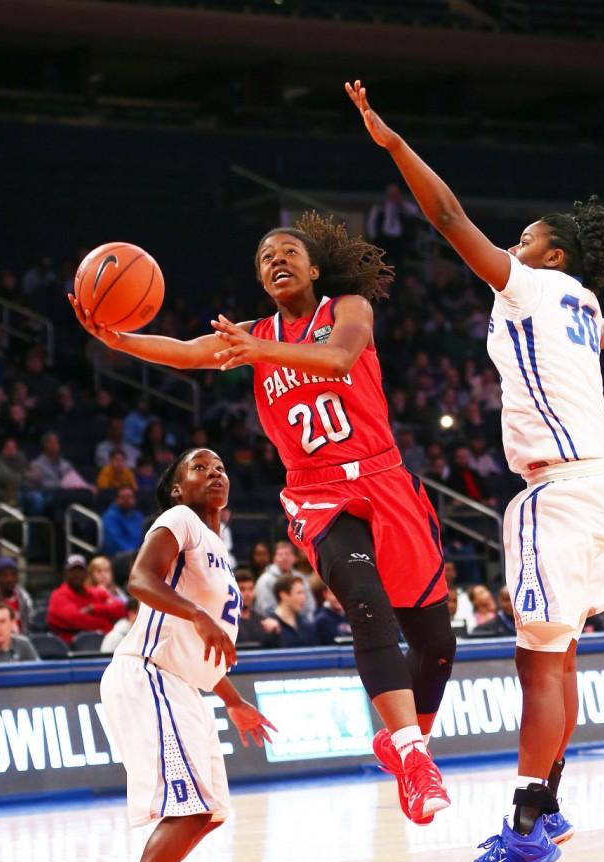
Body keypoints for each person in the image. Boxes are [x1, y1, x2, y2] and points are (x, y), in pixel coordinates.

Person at [345, 79, 604, 862]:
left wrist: (395, 145)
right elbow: (593, 335)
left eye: (523, 238)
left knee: (537, 663)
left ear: (549, 254)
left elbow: (447, 219)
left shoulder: (528, 282)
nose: (510, 246)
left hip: (559, 492)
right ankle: (546, 805)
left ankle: (523, 823)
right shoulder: (581, 299)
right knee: (564, 654)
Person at [70, 210, 457, 826]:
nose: (275, 261)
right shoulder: (257, 334)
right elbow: (190, 353)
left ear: (312, 267)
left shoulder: (347, 308)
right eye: (264, 258)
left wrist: (258, 349)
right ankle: (413, 758)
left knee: (438, 643)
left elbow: (337, 360)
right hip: (318, 492)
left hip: (384, 477)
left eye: (286, 252)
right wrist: (120, 340)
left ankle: (403, 737)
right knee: (364, 597)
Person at [98, 448, 275, 862]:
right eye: (201, 468)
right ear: (178, 488)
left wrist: (233, 701)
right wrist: (198, 615)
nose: (215, 472)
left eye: (221, 467)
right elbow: (140, 579)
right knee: (190, 807)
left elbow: (198, 646)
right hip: (147, 673)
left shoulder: (218, 548)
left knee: (209, 811)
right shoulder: (179, 519)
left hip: (179, 682)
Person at [46, 554, 126, 644]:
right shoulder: (58, 596)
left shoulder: (97, 593)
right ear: (64, 573)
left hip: (102, 643)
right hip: (71, 650)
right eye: (73, 570)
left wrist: (94, 608)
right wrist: (106, 625)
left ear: (86, 573)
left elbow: (121, 609)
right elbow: (75, 620)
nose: (77, 574)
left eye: (80, 570)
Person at [254, 540, 315, 621]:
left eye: (288, 554)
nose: (284, 558)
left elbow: (310, 606)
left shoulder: (301, 578)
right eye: (280, 554)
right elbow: (267, 610)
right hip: (274, 625)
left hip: (301, 624)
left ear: (295, 558)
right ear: (274, 559)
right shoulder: (264, 580)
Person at [235, 568, 281, 649]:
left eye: (250, 589)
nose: (247, 594)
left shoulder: (263, 621)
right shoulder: (227, 622)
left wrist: (276, 632)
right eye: (242, 589)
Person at [271, 574, 318, 648]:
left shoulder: (306, 625)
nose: (303, 598)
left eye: (303, 593)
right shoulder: (270, 627)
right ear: (283, 595)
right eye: (299, 593)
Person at [0, 557, 34, 634]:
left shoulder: (23, 597)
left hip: (21, 640)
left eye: (13, 575)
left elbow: (29, 624)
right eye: (5, 576)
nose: (10, 579)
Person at [101, 486, 145, 557]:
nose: (127, 500)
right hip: (119, 556)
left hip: (138, 554)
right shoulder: (109, 516)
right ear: (116, 499)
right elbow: (114, 543)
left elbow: (144, 537)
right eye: (123, 497)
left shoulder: (138, 516)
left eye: (130, 497)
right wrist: (135, 554)